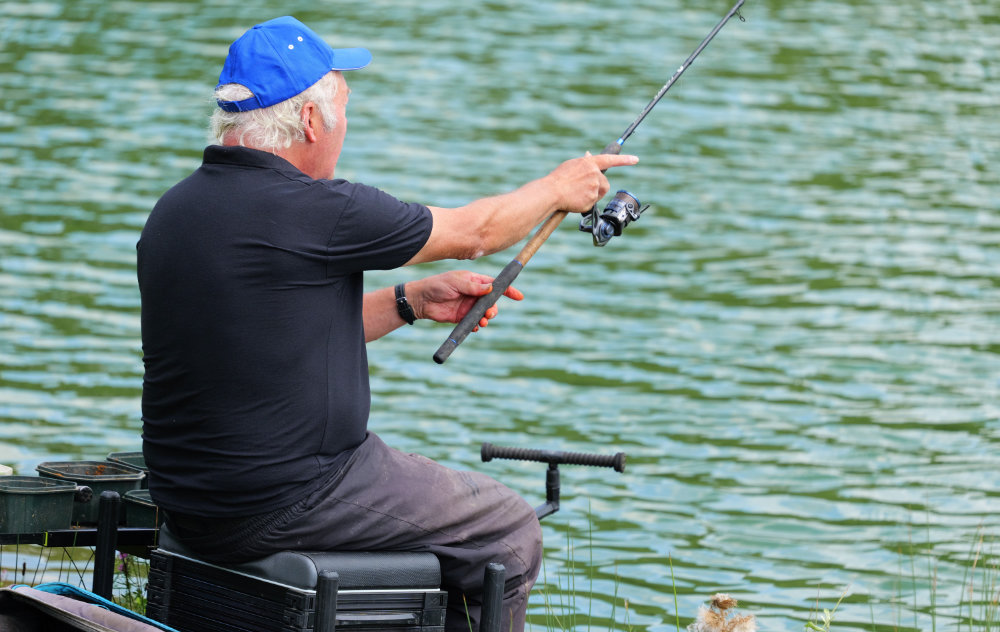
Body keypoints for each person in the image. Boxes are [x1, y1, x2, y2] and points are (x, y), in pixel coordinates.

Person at [137, 15, 637, 632]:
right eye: (344, 108)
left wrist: (410, 301)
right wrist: (562, 187)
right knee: (507, 530)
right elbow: (477, 233)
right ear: (312, 121)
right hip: (290, 495)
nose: (346, 124)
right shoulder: (321, 211)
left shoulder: (176, 212)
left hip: (192, 501)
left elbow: (267, 337)